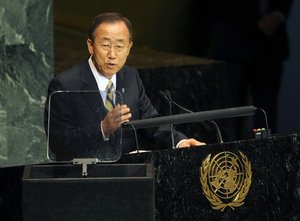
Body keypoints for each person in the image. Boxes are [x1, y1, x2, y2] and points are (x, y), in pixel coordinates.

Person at [44, 12, 205, 161]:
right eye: (105, 45)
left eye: (120, 46)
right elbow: (58, 143)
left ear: (129, 48)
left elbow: (150, 121)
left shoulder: (130, 77)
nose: (112, 54)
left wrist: (179, 142)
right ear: (90, 46)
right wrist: (103, 128)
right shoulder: (65, 84)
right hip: (85, 178)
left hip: (130, 174)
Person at [206, 0, 292, 139]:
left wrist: (277, 15)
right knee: (230, 115)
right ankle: (232, 157)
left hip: (269, 46)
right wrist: (254, 21)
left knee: (265, 115)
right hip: (232, 43)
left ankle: (265, 155)